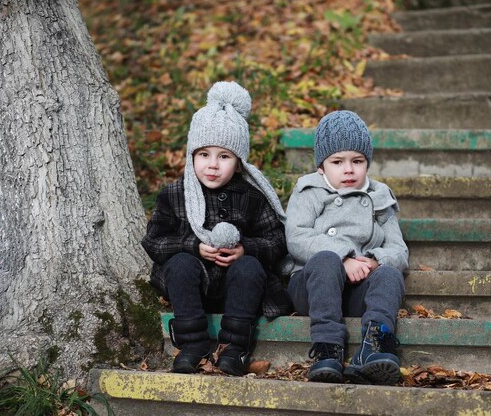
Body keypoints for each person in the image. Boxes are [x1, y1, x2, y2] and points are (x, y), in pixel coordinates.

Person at [142, 81, 289, 377]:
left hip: (240, 288)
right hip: (194, 286)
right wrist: (192, 246)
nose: (212, 165)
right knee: (180, 264)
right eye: (203, 154)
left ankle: (234, 349)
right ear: (191, 156)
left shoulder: (252, 196)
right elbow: (154, 242)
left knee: (249, 267)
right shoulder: (175, 194)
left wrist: (246, 248)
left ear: (238, 163)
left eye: (224, 156)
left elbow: (277, 241)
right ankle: (192, 346)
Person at [284, 110, 408, 385]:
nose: (348, 169)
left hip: (355, 290)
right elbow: (296, 237)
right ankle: (328, 348)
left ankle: (375, 345)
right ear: (321, 167)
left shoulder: (379, 196)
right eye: (337, 161)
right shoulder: (309, 191)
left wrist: (375, 260)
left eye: (357, 161)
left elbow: (399, 250)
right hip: (312, 286)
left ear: (368, 163)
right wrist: (345, 257)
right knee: (326, 259)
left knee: (390, 274)